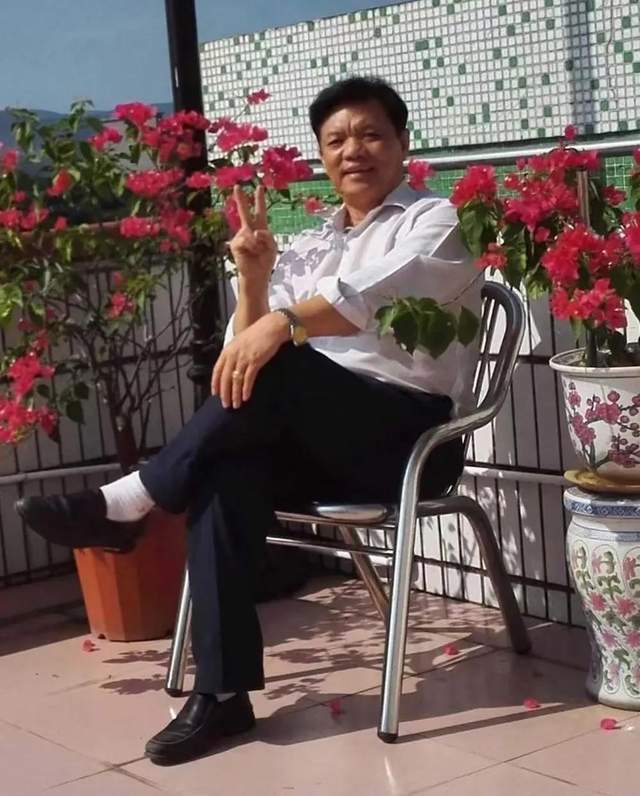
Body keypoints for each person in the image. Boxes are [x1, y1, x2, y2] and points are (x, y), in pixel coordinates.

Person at [16, 76, 481, 765]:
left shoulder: (434, 221)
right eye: (337, 140)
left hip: (408, 439)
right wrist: (257, 282)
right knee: (225, 469)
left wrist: (281, 325)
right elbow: (245, 354)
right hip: (315, 439)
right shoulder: (312, 243)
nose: (354, 150)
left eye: (371, 134)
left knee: (283, 357)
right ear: (322, 156)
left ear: (402, 143)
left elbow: (361, 300)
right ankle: (223, 694)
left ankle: (133, 500)